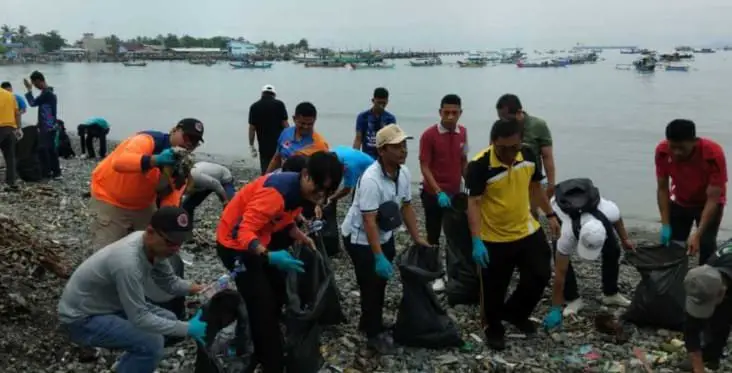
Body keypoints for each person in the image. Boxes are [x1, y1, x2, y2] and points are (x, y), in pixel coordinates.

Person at [216, 151, 343, 373]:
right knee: (261, 305)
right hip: (234, 246)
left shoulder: (300, 192)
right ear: (305, 174)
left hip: (259, 241)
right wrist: (269, 256)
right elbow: (242, 232)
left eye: (327, 192)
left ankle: (261, 337)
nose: (320, 196)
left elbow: (283, 219)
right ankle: (270, 361)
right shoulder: (276, 193)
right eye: (318, 189)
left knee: (276, 291)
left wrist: (299, 236)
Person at [58, 207, 207, 373]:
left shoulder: (151, 247)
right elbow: (139, 318)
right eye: (171, 242)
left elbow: (169, 283)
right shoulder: (127, 262)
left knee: (169, 317)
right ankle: (138, 357)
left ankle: (130, 362)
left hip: (109, 304)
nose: (175, 249)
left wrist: (197, 288)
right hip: (82, 318)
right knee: (153, 343)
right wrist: (188, 328)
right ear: (150, 231)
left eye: (179, 243)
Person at [465, 119, 560, 351]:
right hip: (493, 237)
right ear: (492, 143)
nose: (508, 153)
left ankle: (516, 313)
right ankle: (493, 326)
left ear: (520, 143)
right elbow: (474, 204)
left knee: (540, 273)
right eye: (502, 148)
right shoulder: (479, 165)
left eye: (513, 147)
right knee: (493, 288)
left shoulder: (528, 155)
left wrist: (550, 214)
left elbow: (535, 188)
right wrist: (476, 240)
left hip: (526, 229)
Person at [341, 124, 431, 354]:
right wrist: (378, 256)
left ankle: (369, 321)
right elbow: (369, 221)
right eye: (396, 146)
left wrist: (417, 237)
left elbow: (407, 207)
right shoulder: (371, 179)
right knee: (371, 284)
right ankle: (372, 334)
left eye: (404, 145)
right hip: (360, 238)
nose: (403, 151)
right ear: (381, 151)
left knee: (379, 283)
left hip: (385, 233)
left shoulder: (403, 173)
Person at [89, 118, 204, 251]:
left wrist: (166, 219)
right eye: (187, 137)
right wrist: (156, 159)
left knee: (152, 245)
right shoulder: (147, 140)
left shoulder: (181, 163)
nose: (189, 143)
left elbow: (171, 194)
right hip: (110, 198)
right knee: (105, 251)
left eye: (195, 142)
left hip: (143, 204)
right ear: (175, 130)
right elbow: (119, 162)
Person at [542, 191, 635, 329]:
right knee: (561, 260)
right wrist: (555, 308)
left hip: (593, 211)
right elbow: (560, 273)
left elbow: (618, 219)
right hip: (559, 208)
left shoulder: (609, 212)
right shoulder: (566, 233)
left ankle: (611, 294)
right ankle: (572, 298)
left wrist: (625, 239)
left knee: (614, 250)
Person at [655, 119, 726, 265]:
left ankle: (706, 279)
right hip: (680, 199)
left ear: (694, 141)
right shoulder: (662, 152)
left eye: (681, 148)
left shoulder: (712, 154)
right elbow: (662, 188)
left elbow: (713, 198)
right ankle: (675, 278)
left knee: (706, 243)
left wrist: (697, 235)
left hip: (708, 203)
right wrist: (665, 224)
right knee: (675, 244)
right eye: (673, 147)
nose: (677, 152)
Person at [419, 94, 469, 291]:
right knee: (433, 235)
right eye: (446, 112)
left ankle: (452, 272)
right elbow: (424, 166)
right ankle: (435, 273)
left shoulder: (463, 132)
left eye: (454, 113)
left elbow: (463, 160)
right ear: (440, 112)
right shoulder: (429, 135)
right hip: (433, 195)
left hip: (455, 194)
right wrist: (438, 191)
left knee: (454, 235)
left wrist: (470, 182)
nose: (450, 116)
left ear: (460, 113)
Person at [677, 241, 732, 372]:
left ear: (723, 292)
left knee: (723, 314)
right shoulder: (705, 275)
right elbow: (691, 327)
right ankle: (711, 355)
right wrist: (698, 365)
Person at [496, 94, 556, 200]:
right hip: (506, 184)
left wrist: (551, 184)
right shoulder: (500, 128)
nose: (504, 122)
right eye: (501, 118)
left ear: (519, 113)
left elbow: (547, 156)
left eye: (507, 118)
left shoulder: (538, 126)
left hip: (532, 183)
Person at [264, 102, 329, 173]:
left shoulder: (320, 144)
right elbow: (276, 158)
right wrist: (264, 178)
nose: (306, 127)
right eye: (302, 123)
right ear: (294, 119)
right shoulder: (286, 133)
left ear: (315, 120)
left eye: (310, 124)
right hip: (282, 176)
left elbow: (323, 172)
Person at [24, 71, 60, 179]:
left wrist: (29, 90)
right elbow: (45, 110)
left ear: (39, 81)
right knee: (49, 149)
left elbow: (32, 103)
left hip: (48, 126)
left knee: (44, 149)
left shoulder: (47, 94)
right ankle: (53, 172)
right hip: (48, 124)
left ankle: (50, 172)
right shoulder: (48, 92)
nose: (35, 86)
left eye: (35, 84)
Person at [249, 84, 289, 174]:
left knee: (265, 168)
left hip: (263, 144)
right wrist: (291, 139)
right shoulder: (279, 104)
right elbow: (285, 124)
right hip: (279, 143)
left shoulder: (254, 106)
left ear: (262, 94)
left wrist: (251, 145)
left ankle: (265, 182)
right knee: (279, 168)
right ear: (274, 94)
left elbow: (252, 128)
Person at [352, 87, 396, 159]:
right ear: (373, 100)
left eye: (384, 103)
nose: (381, 106)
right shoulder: (363, 117)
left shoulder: (390, 119)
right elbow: (358, 139)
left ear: (387, 101)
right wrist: (354, 157)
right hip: (367, 156)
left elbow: (392, 141)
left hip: (383, 158)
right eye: (378, 103)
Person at [0, 86, 21, 191]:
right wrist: (19, 128)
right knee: (10, 156)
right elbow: (17, 113)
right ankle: (11, 182)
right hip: (10, 128)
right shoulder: (10, 95)